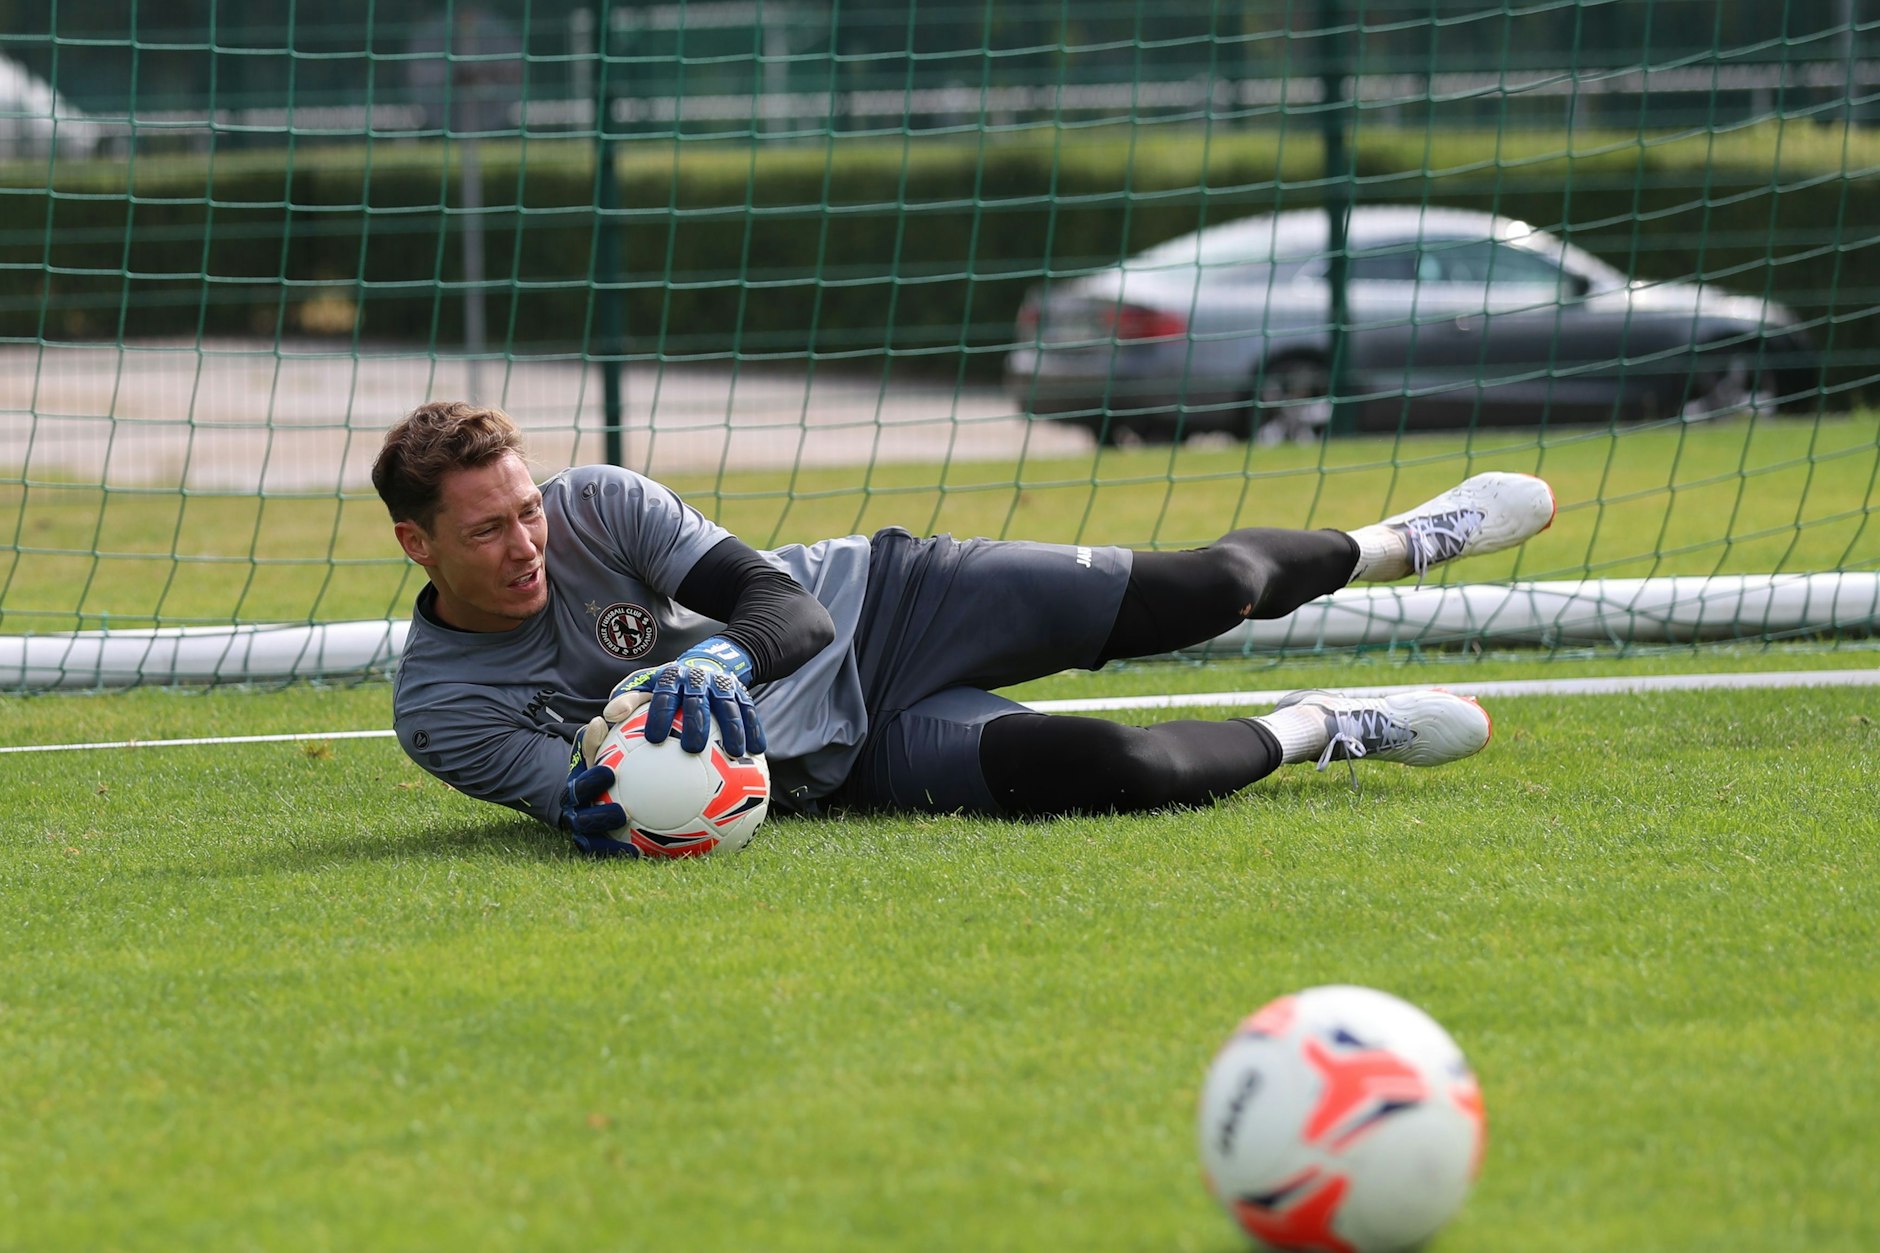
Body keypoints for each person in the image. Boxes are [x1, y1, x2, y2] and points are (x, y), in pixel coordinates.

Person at [372, 400, 1555, 855]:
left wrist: (719, 661)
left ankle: (1402, 540)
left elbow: (783, 609)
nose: (525, 543)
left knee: (1202, 591)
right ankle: (1325, 726)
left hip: (890, 600)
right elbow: (588, 806)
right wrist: (602, 808)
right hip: (844, 758)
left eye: (526, 511)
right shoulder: (438, 709)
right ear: (416, 543)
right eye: (487, 531)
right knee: (1122, 770)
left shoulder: (596, 501)